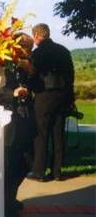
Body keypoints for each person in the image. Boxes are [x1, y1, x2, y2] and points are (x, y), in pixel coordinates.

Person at [28, 23, 75, 181]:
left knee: (41, 134)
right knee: (58, 134)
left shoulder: (38, 53)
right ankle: (57, 172)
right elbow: (70, 77)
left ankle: (39, 172)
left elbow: (33, 75)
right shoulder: (63, 51)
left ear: (36, 35)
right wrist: (70, 98)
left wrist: (31, 90)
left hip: (44, 95)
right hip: (62, 96)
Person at [0, 34, 36, 217]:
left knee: (28, 160)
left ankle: (10, 198)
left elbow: (39, 85)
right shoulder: (4, 66)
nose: (28, 53)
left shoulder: (27, 65)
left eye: (30, 50)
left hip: (27, 118)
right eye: (26, 50)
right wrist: (13, 92)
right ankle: (7, 203)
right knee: (12, 163)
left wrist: (30, 72)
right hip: (11, 120)